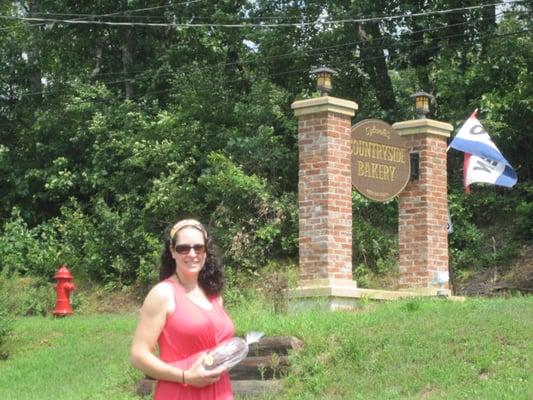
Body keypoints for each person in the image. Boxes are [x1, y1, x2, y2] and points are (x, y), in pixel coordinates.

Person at [131, 218, 235, 400]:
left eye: (198, 247)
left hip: (220, 391)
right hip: (181, 392)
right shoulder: (163, 294)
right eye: (183, 248)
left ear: (206, 251)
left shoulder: (214, 296)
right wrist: (186, 376)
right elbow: (138, 355)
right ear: (172, 251)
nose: (192, 253)